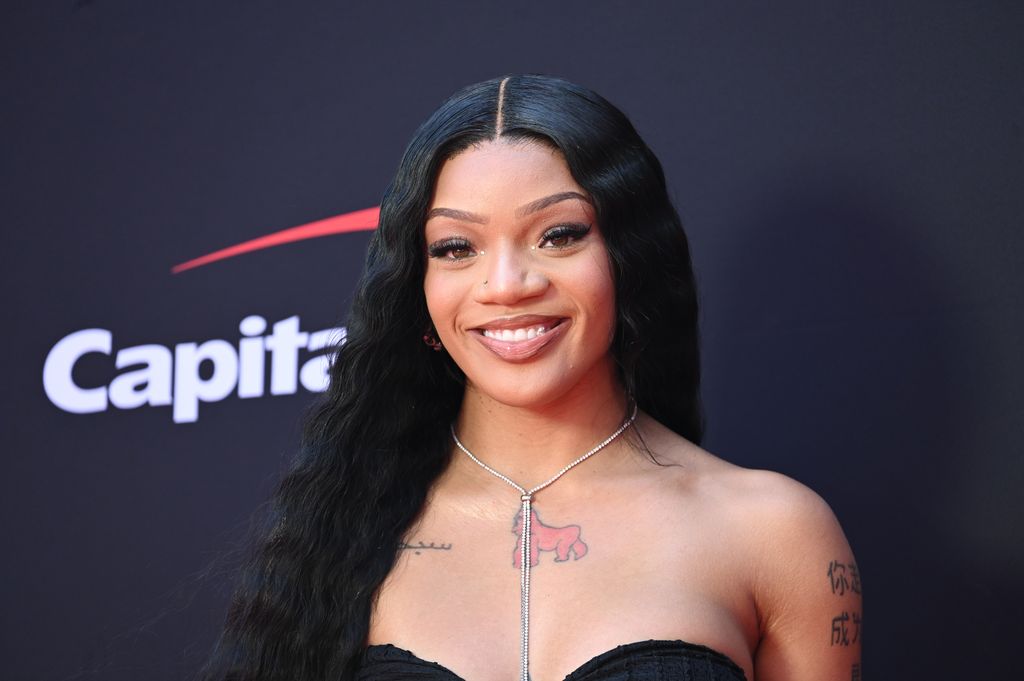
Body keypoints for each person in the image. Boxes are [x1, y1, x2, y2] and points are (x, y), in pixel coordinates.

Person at [201, 75, 862, 681]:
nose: (507, 285)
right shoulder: (343, 536)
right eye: (457, 247)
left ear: (627, 255)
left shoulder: (772, 531)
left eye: (559, 234)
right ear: (419, 290)